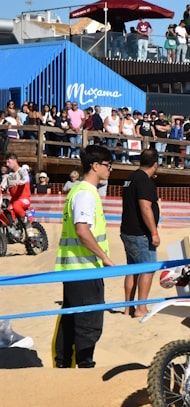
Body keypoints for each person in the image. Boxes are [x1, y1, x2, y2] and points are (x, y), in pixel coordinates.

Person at [53, 144, 114, 368]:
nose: (110, 170)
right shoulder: (86, 194)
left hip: (77, 268)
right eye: (108, 165)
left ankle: (63, 365)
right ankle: (84, 366)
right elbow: (82, 230)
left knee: (71, 319)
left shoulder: (79, 191)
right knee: (88, 321)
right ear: (95, 166)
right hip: (84, 268)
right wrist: (105, 258)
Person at [120, 149, 160, 318]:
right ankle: (141, 308)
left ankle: (128, 307)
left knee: (132, 269)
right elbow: (145, 207)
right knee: (147, 269)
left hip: (127, 230)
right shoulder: (144, 181)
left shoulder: (130, 178)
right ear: (155, 164)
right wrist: (154, 232)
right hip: (140, 232)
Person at [0, 153, 32, 233]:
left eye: (9, 162)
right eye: (6, 162)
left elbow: (26, 178)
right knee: (7, 210)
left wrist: (19, 182)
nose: (7, 165)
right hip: (14, 199)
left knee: (16, 205)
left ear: (14, 161)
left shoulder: (22, 171)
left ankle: (27, 223)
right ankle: (13, 228)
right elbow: (2, 187)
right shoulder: (8, 176)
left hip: (24, 198)